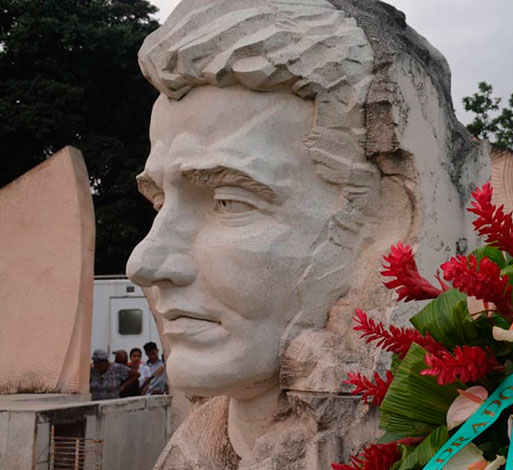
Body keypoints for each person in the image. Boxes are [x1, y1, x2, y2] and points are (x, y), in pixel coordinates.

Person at [126, 0, 484, 467]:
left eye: (228, 201)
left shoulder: (491, 446)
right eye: (159, 202)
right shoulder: (190, 453)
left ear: (389, 222)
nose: (145, 263)